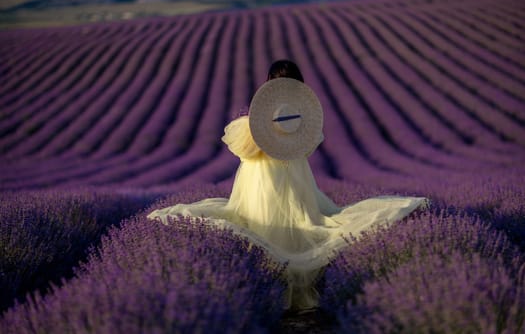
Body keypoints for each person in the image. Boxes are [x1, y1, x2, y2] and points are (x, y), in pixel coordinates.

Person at [147, 60, 427, 311]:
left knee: (264, 227)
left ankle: (267, 288)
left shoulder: (252, 123)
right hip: (294, 178)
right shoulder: (304, 120)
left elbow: (242, 150)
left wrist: (261, 128)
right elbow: (306, 147)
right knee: (301, 225)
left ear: (269, 84)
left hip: (261, 181)